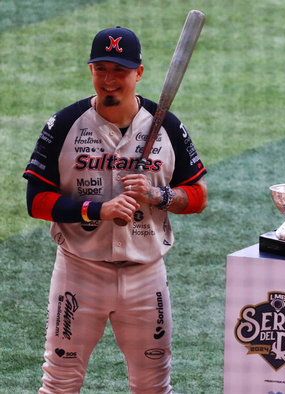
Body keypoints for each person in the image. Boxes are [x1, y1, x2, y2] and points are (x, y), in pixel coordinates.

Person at [23, 26, 207, 394]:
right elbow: (36, 202)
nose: (109, 80)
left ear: (139, 73)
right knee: (59, 382)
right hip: (79, 272)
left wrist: (160, 197)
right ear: (90, 70)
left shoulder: (167, 125)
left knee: (153, 386)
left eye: (119, 70)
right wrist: (97, 210)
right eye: (100, 68)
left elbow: (198, 196)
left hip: (146, 275)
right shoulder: (64, 124)